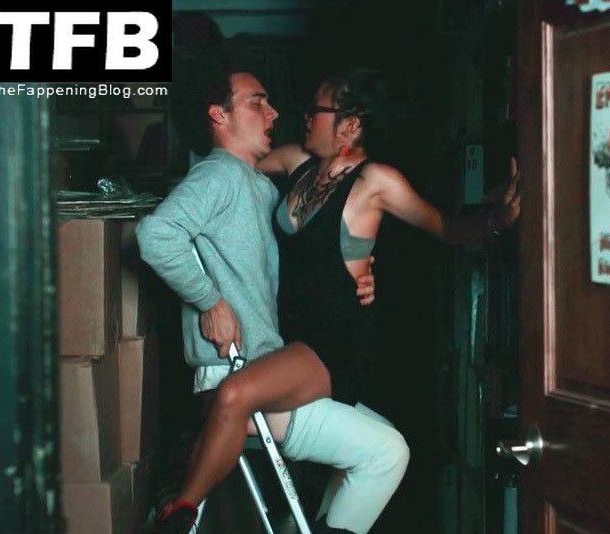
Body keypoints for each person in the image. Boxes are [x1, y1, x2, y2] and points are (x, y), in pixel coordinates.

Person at [137, 62, 409, 534]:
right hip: (240, 376)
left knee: (384, 442)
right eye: (256, 102)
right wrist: (209, 301)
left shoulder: (261, 189)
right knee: (387, 453)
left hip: (270, 371)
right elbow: (156, 234)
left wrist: (359, 271)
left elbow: (307, 266)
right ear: (219, 115)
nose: (274, 113)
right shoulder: (218, 176)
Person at [258, 69, 520, 409]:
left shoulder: (376, 180)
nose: (306, 119)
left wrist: (498, 221)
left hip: (331, 345)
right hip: (280, 332)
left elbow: (445, 228)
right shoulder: (297, 161)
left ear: (350, 124)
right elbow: (237, 165)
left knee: (245, 403)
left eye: (315, 111)